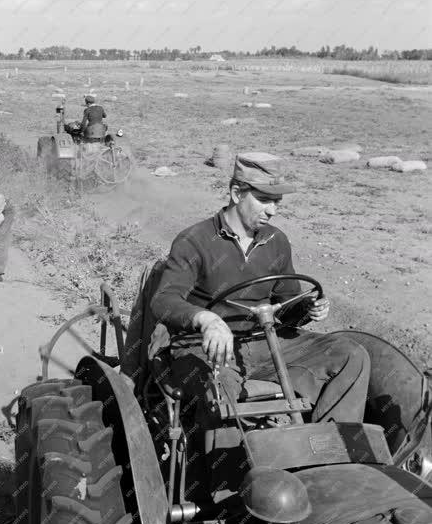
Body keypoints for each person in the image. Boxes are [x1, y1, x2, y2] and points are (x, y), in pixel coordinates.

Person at [148, 152, 370, 424]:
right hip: (204, 348)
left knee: (351, 354)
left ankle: (332, 449)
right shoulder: (195, 241)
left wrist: (306, 309)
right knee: (219, 392)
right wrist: (206, 319)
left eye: (276, 202)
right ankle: (226, 462)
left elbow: (289, 313)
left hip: (265, 342)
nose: (272, 210)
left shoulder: (276, 241)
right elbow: (163, 300)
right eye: (264, 200)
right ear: (236, 193)